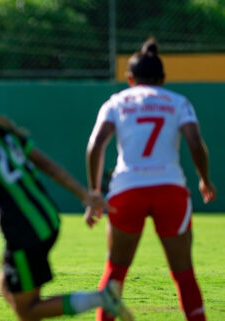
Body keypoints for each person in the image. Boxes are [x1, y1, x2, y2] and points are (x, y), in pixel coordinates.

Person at [0, 79, 133, 320]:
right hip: (47, 216)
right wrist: (84, 195)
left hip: (25, 231)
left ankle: (102, 298)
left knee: (27, 309)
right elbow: (46, 164)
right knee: (6, 285)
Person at [85, 38, 216, 321]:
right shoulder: (178, 102)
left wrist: (95, 192)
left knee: (116, 271)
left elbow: (95, 145)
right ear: (163, 79)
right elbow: (195, 142)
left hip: (126, 189)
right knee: (184, 273)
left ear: (130, 78)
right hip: (170, 189)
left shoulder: (116, 102)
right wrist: (204, 179)